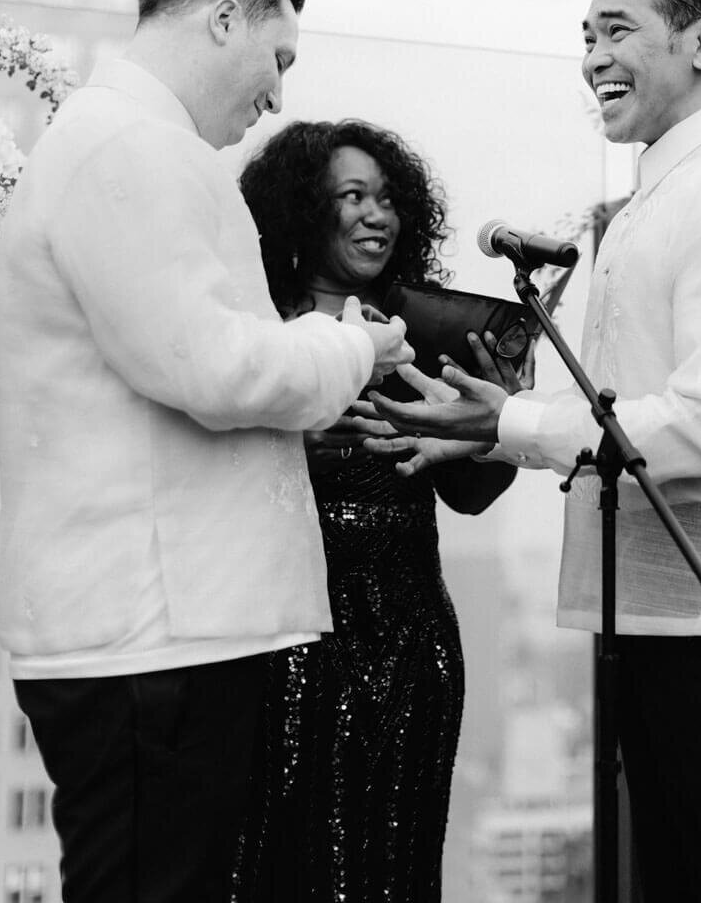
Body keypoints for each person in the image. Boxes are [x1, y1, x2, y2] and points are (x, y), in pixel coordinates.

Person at [367, 0, 701, 903]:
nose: (590, 58)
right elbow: (632, 408)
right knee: (668, 870)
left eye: (617, 29)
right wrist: (504, 417)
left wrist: (515, 425)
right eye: (585, 33)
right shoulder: (661, 189)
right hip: (659, 591)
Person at [0, 0, 412, 903]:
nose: (276, 98)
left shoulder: (114, 143)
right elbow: (216, 370)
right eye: (279, 60)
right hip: (154, 639)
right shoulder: (129, 150)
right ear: (223, 18)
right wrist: (357, 345)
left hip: (158, 630)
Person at [231, 119, 522, 903]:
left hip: (412, 640)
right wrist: (293, 447)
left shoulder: (420, 334)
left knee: (394, 870)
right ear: (300, 211)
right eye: (351, 196)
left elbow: (471, 495)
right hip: (288, 640)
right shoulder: (255, 330)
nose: (376, 215)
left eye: (388, 199)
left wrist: (497, 422)